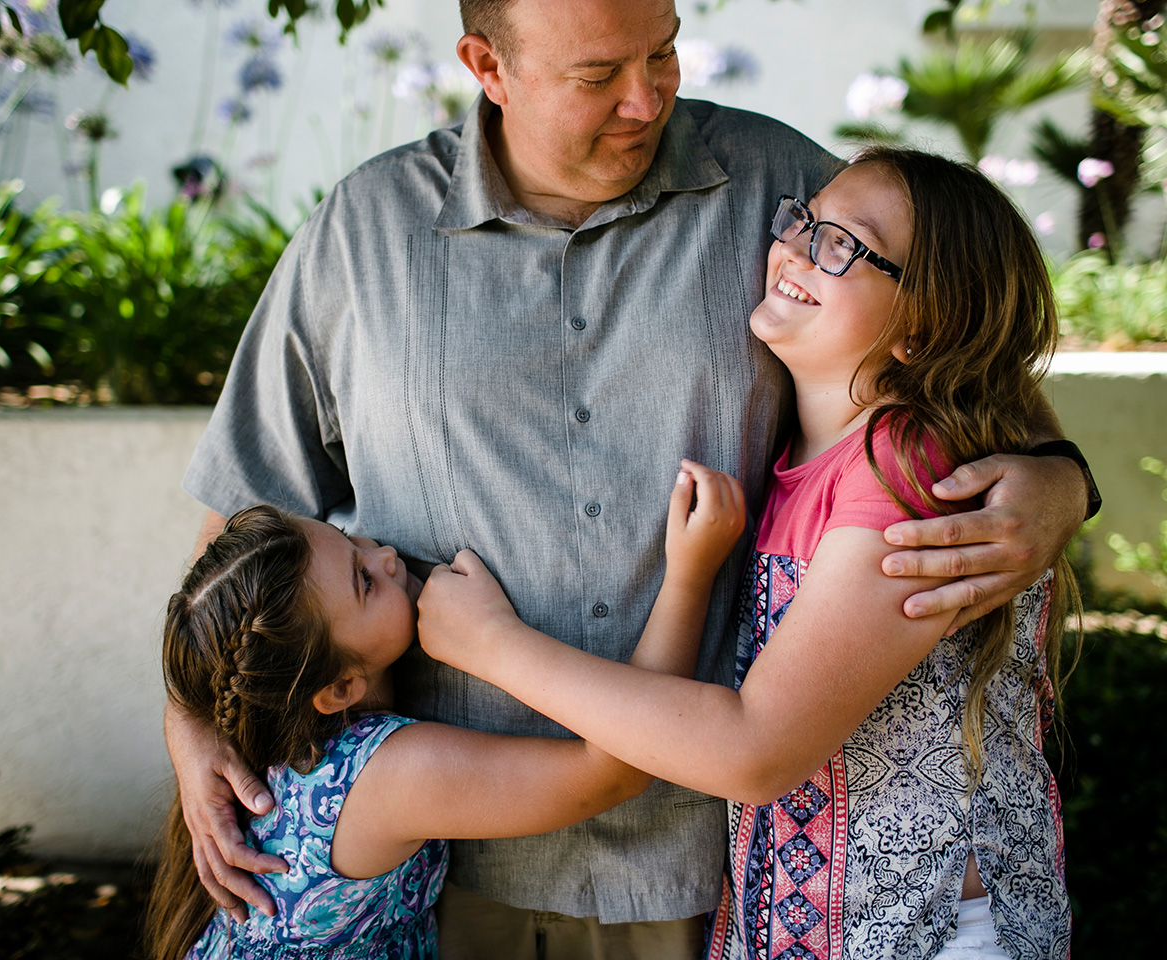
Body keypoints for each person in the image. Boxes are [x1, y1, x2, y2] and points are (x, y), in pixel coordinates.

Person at [169, 1, 1091, 955]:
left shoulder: (787, 190)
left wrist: (1060, 483)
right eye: (597, 74)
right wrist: (193, 721)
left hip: (713, 874)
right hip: (453, 869)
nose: (647, 99)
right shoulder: (361, 234)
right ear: (489, 65)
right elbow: (244, 518)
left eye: (663, 51)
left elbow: (962, 346)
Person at [417, 147, 1078, 959]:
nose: (794, 249)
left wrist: (492, 645)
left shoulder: (907, 470)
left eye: (844, 245)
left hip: (932, 935)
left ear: (924, 329)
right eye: (803, 221)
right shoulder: (811, 457)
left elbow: (755, 749)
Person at [147, 470, 744, 960]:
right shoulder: (387, 777)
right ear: (340, 687)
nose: (384, 555)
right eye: (363, 582)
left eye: (350, 539)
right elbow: (618, 769)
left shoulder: (270, 732)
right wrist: (690, 575)